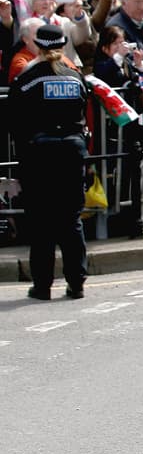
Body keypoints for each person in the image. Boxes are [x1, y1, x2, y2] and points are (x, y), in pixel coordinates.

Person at [9, 25, 90, 300]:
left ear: (38, 46)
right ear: (63, 45)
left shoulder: (26, 79)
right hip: (72, 152)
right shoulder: (75, 78)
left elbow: (15, 124)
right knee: (71, 220)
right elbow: (83, 114)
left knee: (41, 221)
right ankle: (76, 282)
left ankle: (42, 285)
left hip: (39, 155)